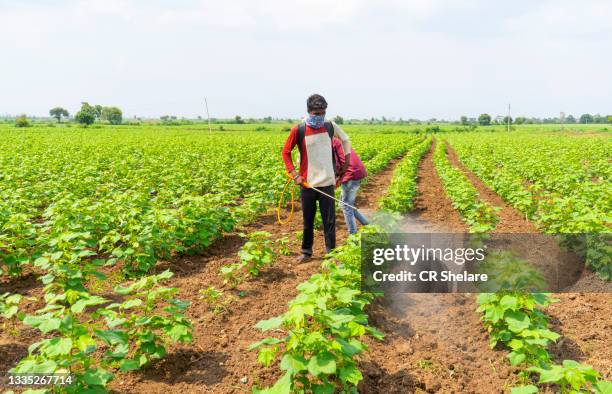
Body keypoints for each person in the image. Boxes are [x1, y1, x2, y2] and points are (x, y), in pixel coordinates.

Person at [282, 94, 351, 263]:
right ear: (309, 112)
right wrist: (294, 174)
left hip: (327, 181)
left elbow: (346, 139)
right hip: (308, 184)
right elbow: (286, 152)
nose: (319, 117)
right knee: (308, 220)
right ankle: (306, 252)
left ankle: (331, 253)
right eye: (316, 113)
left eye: (322, 113)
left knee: (329, 221)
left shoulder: (329, 126)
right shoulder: (299, 130)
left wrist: (346, 163)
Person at [332, 138, 369, 234]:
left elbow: (337, 166)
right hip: (356, 173)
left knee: (346, 205)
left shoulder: (330, 144)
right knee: (347, 204)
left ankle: (353, 235)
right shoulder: (337, 141)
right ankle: (366, 223)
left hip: (351, 174)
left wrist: (335, 180)